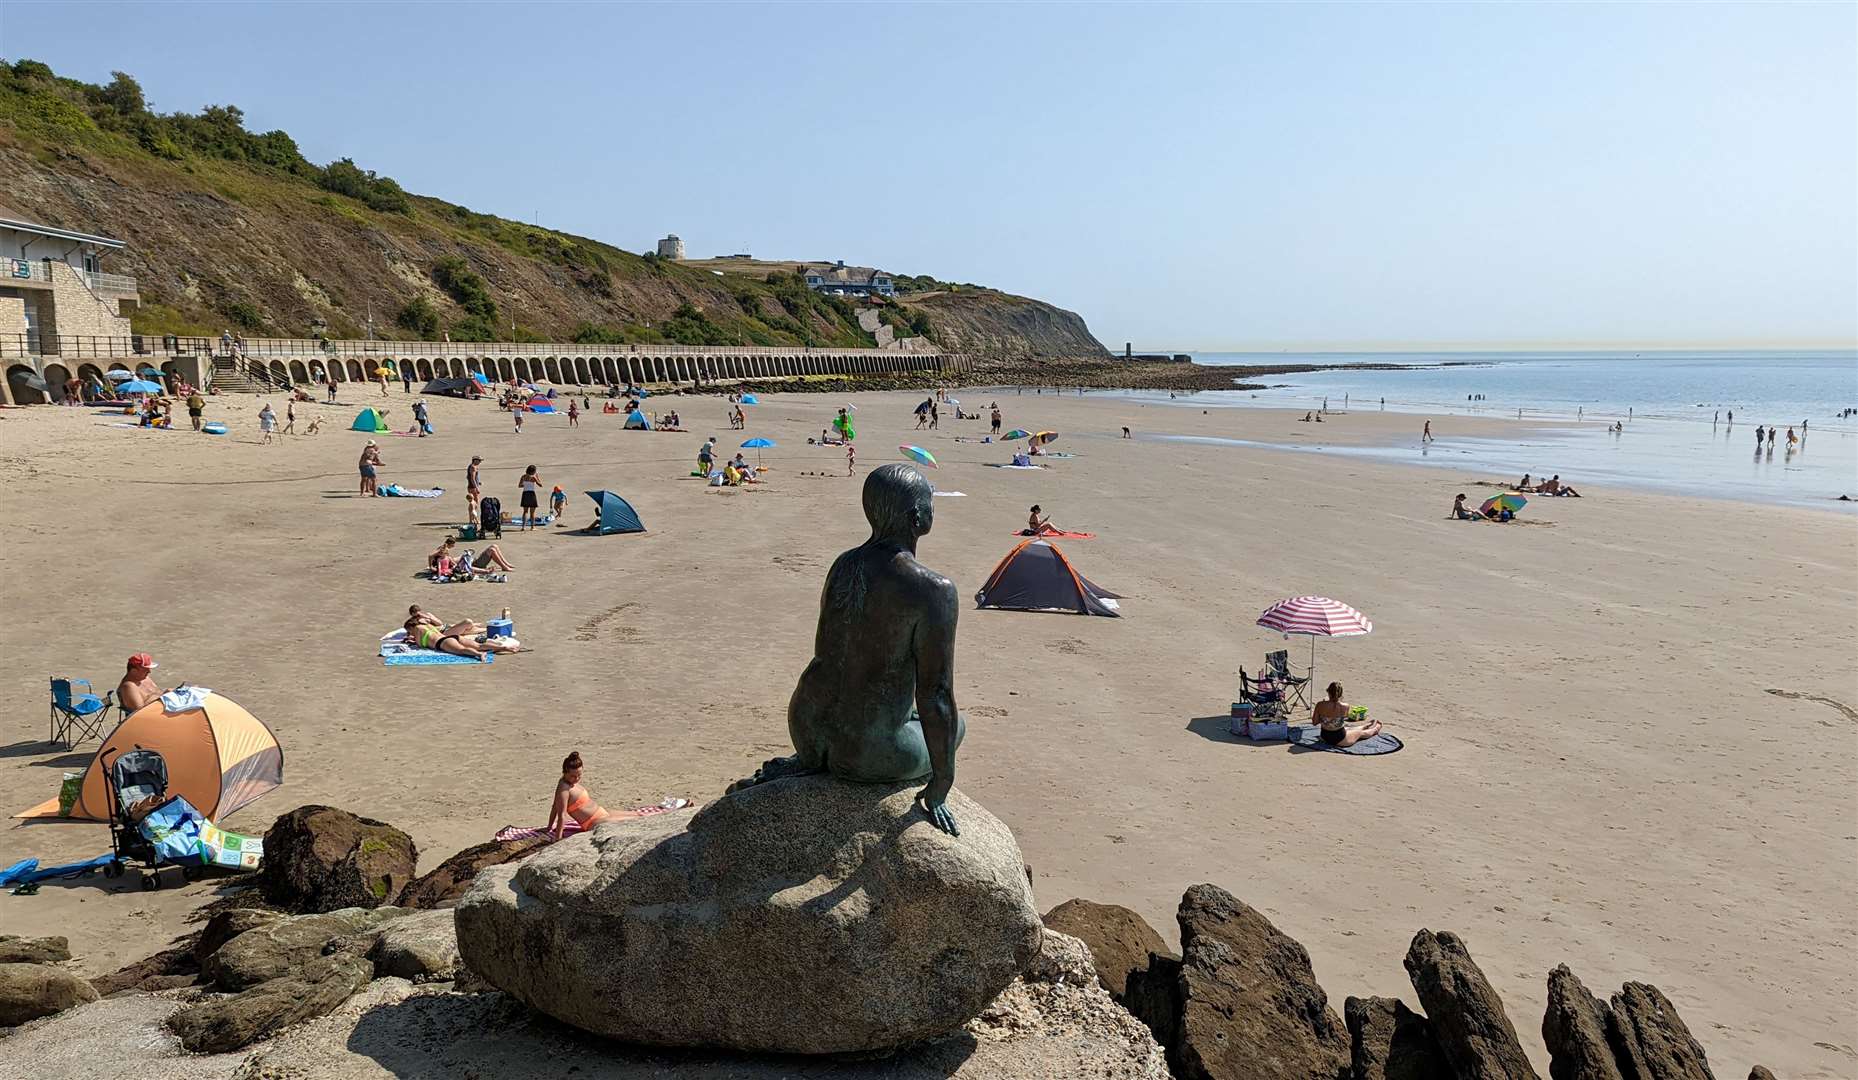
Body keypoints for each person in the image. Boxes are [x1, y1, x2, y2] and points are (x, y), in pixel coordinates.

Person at [402, 605, 520, 659]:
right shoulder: (426, 625)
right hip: (452, 637)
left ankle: (479, 655)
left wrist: (412, 641)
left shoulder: (417, 629)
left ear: (411, 627)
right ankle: (506, 648)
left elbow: (420, 644)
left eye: (409, 631)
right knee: (479, 645)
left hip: (442, 642)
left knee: (461, 650)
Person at [1312, 681, 1382, 748]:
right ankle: (1376, 729)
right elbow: (1343, 717)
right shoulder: (1345, 706)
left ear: (1328, 692)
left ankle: (1365, 725)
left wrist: (1323, 714)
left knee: (1349, 729)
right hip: (1340, 739)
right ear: (1340, 694)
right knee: (1360, 733)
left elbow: (1315, 722)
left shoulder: (1320, 704)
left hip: (1324, 736)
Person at [429, 536, 514, 574]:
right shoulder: (442, 552)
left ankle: (506, 563)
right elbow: (430, 555)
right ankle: (504, 567)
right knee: (492, 550)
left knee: (494, 546)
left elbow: (452, 560)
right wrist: (431, 567)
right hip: (475, 564)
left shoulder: (446, 556)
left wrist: (463, 556)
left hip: (473, 560)